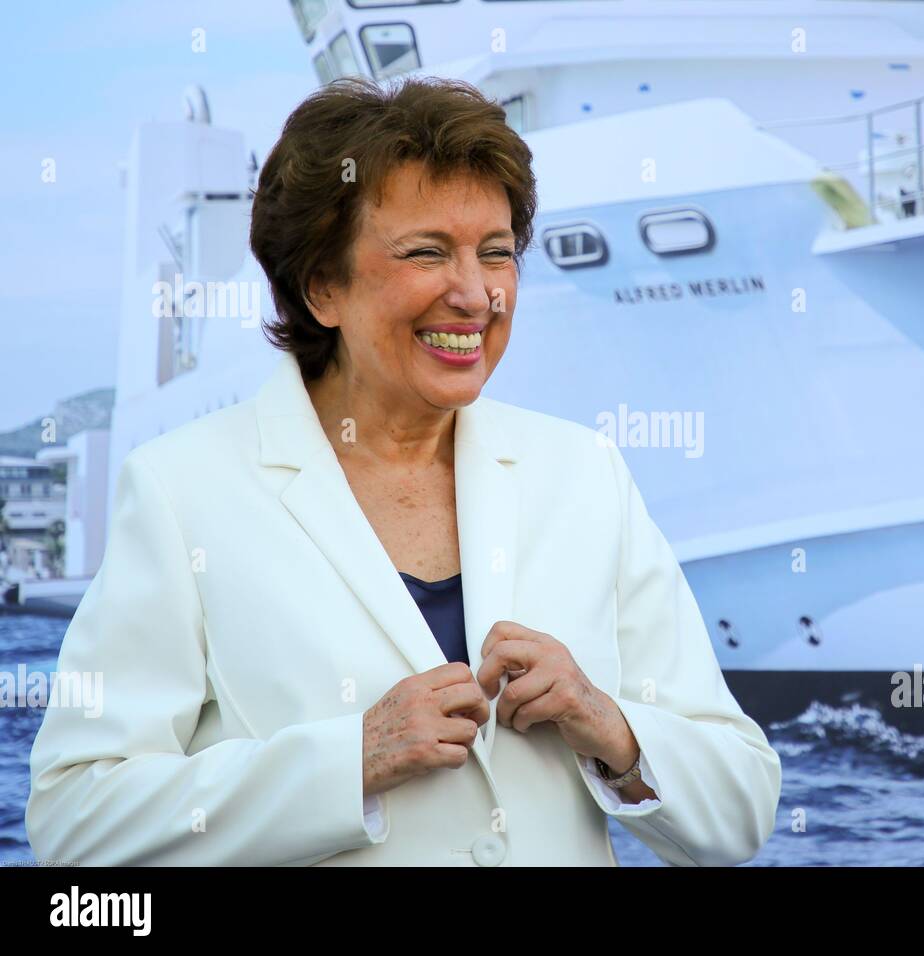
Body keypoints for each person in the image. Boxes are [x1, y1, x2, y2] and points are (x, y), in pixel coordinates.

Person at [25, 77, 781, 866]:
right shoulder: (183, 491)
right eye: (426, 253)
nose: (474, 294)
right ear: (323, 287)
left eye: (495, 253)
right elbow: (77, 820)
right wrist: (347, 765)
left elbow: (739, 812)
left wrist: (610, 727)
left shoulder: (585, 475)